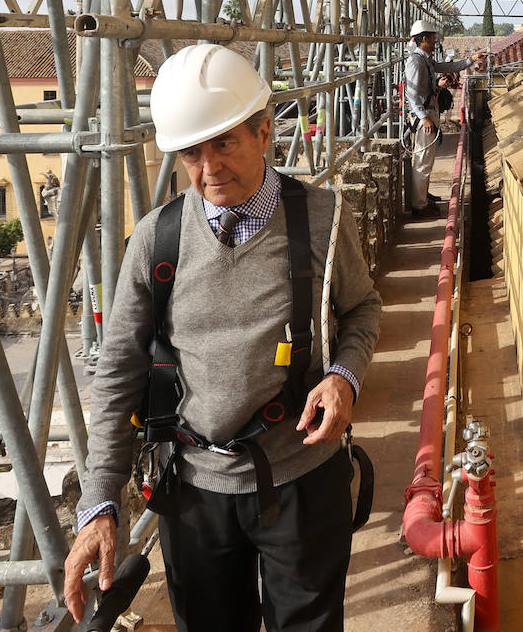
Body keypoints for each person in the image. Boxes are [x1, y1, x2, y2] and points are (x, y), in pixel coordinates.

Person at [63, 44, 382, 632]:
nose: (208, 167)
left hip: (301, 475)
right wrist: (99, 503)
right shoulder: (156, 242)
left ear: (265, 133)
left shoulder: (320, 218)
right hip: (193, 489)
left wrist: (344, 376)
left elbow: (360, 309)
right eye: (191, 151)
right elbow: (118, 374)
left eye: (224, 143)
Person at [403, 19, 486, 216]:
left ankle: (423, 197)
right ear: (424, 39)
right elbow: (412, 93)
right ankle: (419, 205)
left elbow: (445, 67)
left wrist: (470, 59)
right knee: (422, 160)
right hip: (424, 114)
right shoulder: (416, 61)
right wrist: (423, 117)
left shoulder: (424, 59)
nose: (435, 42)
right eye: (432, 38)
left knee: (427, 159)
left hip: (429, 111)